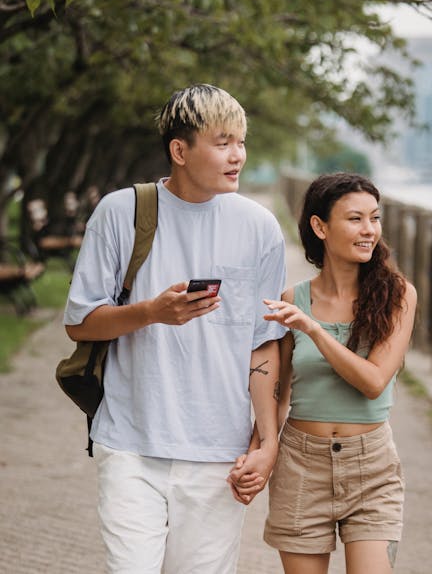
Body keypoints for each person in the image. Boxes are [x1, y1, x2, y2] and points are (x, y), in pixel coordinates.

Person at [63, 84, 286, 574]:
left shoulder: (260, 227)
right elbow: (80, 323)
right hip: (130, 443)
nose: (237, 155)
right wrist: (150, 313)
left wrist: (266, 443)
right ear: (179, 150)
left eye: (241, 142)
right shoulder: (122, 213)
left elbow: (263, 344)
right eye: (223, 141)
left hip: (218, 453)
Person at [261, 172, 417, 574]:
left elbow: (373, 382)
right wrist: (262, 449)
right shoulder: (293, 300)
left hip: (372, 468)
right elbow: (278, 393)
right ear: (320, 226)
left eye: (375, 218)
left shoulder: (398, 295)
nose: (369, 230)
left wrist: (312, 329)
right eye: (355, 219)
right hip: (300, 465)